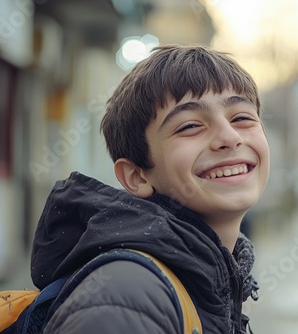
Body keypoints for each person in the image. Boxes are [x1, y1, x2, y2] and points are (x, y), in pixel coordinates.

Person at [31, 45, 270, 333]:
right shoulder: (125, 294)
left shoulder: (210, 277)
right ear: (136, 176)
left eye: (242, 118)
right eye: (191, 126)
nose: (229, 137)